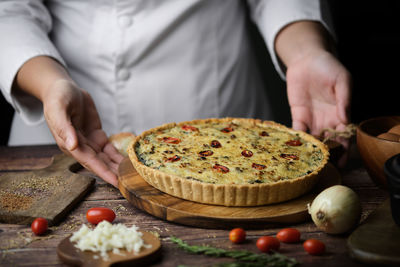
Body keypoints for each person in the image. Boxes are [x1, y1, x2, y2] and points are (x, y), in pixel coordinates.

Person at [0, 0, 351, 187]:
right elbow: (8, 11)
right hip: (59, 128)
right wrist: (50, 85)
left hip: (221, 119)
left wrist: (306, 54)